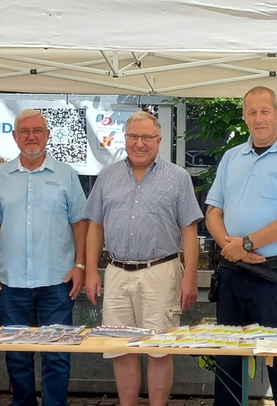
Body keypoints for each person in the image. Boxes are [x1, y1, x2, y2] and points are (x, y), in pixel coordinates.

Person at [204, 86, 277, 406]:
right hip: (232, 274)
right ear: (244, 117)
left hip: (275, 277)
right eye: (252, 112)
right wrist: (230, 247)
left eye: (265, 111)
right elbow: (213, 211)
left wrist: (247, 243)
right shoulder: (232, 157)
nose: (259, 118)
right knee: (228, 362)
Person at [84, 110, 203, 406]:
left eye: (147, 137)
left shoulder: (178, 178)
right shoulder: (107, 176)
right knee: (120, 348)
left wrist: (190, 276)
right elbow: (95, 226)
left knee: (159, 348)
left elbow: (189, 231)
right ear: (125, 139)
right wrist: (91, 270)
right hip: (116, 271)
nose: (139, 143)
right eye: (133, 136)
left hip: (160, 271)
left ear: (158, 140)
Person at [0, 109, 87, 406]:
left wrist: (80, 265)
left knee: (57, 355)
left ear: (47, 135)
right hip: (11, 281)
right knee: (17, 355)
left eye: (37, 131)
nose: (31, 136)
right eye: (25, 131)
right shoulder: (1, 176)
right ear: (15, 136)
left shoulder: (66, 175)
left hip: (57, 280)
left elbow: (80, 222)